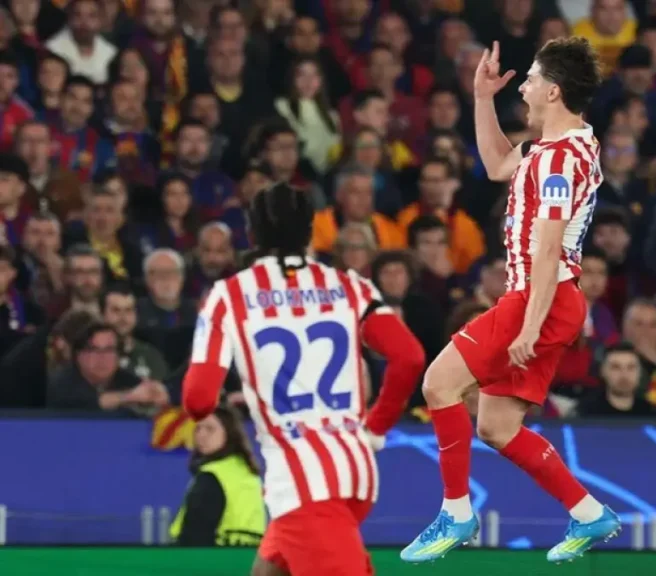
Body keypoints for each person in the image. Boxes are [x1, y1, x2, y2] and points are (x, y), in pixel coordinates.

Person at [401, 38, 620, 565]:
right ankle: (589, 512)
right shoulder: (564, 147)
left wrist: (530, 325)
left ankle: (456, 512)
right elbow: (499, 164)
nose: (522, 88)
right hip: (550, 299)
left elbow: (548, 250)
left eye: (531, 80)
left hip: (541, 298)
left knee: (438, 384)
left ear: (554, 91)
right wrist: (482, 98)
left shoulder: (558, 161)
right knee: (497, 426)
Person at [181, 182, 426, 576]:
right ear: (310, 231)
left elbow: (198, 401)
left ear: (252, 234)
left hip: (301, 480)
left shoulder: (228, 296)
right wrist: (376, 426)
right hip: (354, 468)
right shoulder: (349, 286)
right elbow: (409, 357)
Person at [169, 406, 265, 547]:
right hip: (249, 556)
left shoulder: (212, 475)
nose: (201, 435)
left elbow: (195, 535)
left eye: (210, 429)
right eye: (198, 428)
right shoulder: (248, 473)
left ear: (229, 433)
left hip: (215, 556)